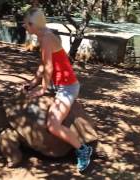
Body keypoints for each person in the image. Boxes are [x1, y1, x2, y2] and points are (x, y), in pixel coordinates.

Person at [21, 8, 93, 172]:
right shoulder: (45, 34)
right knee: (26, 93)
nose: (25, 27)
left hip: (67, 87)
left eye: (26, 24)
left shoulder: (46, 39)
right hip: (58, 83)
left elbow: (48, 67)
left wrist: (42, 89)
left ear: (32, 25)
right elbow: (43, 64)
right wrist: (33, 82)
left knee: (53, 125)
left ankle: (83, 150)